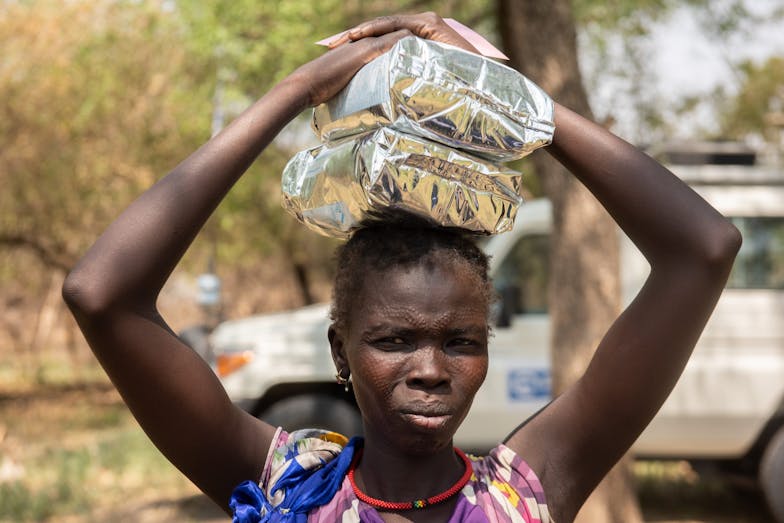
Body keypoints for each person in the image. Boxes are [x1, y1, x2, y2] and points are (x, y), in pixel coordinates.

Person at [62, 12, 741, 523]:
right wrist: (299, 91)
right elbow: (101, 295)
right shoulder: (292, 485)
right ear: (340, 348)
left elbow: (704, 248)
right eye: (393, 339)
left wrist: (506, 97)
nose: (430, 368)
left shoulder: (525, 490)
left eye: (460, 341)